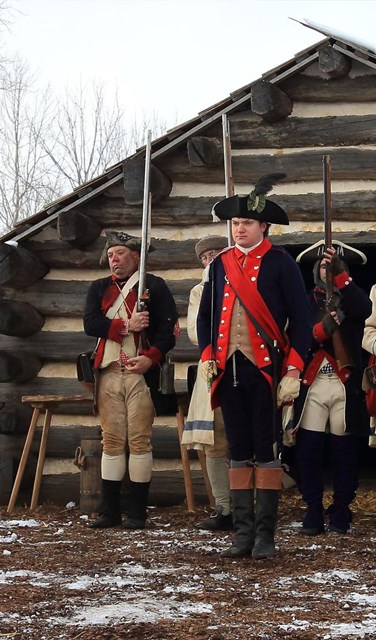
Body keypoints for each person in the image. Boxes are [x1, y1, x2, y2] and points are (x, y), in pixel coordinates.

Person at [197, 174, 312, 560]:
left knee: (266, 449)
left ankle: (265, 535)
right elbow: (206, 318)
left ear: (264, 226)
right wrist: (209, 355)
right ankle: (242, 534)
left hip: (266, 369)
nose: (240, 228)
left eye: (247, 223)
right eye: (235, 223)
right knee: (237, 447)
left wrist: (294, 368)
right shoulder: (221, 265)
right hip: (227, 367)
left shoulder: (281, 263)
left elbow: (301, 318)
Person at [83, 230, 178, 529]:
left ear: (136, 256)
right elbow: (91, 323)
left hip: (141, 374)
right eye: (111, 255)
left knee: (139, 441)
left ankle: (137, 513)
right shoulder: (99, 288)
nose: (114, 259)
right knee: (110, 441)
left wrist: (151, 357)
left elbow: (169, 330)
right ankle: (109, 512)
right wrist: (127, 324)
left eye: (120, 253)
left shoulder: (154, 286)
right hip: (109, 371)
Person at [291, 240, 370, 536]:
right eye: (323, 266)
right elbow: (296, 335)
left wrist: (342, 279)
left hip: (344, 384)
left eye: (332, 266)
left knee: (344, 450)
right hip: (314, 384)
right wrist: (321, 330)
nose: (326, 270)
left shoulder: (352, 297)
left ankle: (341, 509)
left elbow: (364, 309)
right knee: (309, 450)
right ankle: (312, 508)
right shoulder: (306, 299)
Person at [185, 235, 233, 531]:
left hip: (247, 368)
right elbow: (194, 332)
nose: (210, 261)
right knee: (215, 442)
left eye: (215, 254)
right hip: (212, 368)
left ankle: (251, 506)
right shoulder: (198, 292)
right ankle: (224, 508)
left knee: (249, 441)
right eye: (205, 258)